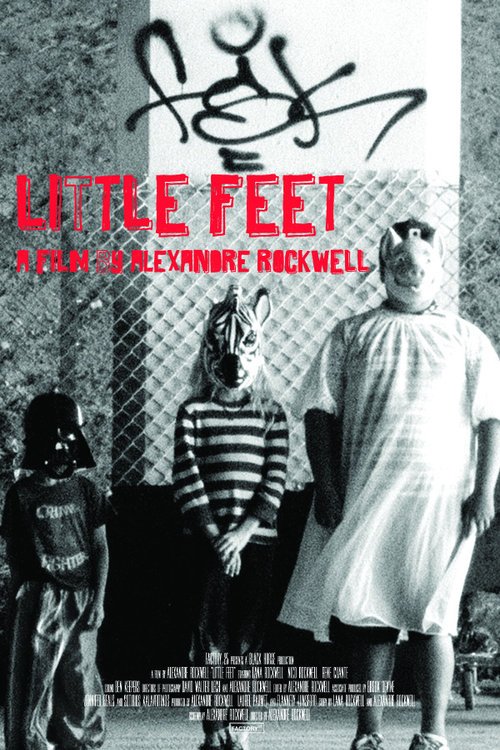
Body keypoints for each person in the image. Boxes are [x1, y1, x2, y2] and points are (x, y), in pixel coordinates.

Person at [278, 220, 500, 750]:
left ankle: (433, 732)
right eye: (401, 265)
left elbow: (491, 418)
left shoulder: (466, 338)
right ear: (383, 270)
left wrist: (484, 490)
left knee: (434, 616)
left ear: (438, 270)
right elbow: (317, 412)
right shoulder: (352, 333)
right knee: (370, 616)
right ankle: (369, 732)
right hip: (368, 493)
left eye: (422, 266)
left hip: (440, 502)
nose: (412, 273)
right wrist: (326, 486)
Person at [173, 284, 288, 750]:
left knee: (248, 637)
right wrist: (216, 537)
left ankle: (239, 727)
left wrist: (241, 535)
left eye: (244, 345)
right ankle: (213, 728)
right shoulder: (192, 412)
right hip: (207, 544)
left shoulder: (272, 414)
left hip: (254, 544)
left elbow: (275, 481)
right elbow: (187, 477)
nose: (233, 360)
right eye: (221, 347)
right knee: (209, 637)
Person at [1, 392, 109, 750]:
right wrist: (16, 609)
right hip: (39, 598)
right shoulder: (21, 495)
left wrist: (98, 600)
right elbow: (16, 561)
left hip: (81, 597)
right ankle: (32, 742)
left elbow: (100, 548)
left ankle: (81, 742)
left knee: (81, 675)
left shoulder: (87, 491)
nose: (62, 452)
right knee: (36, 676)